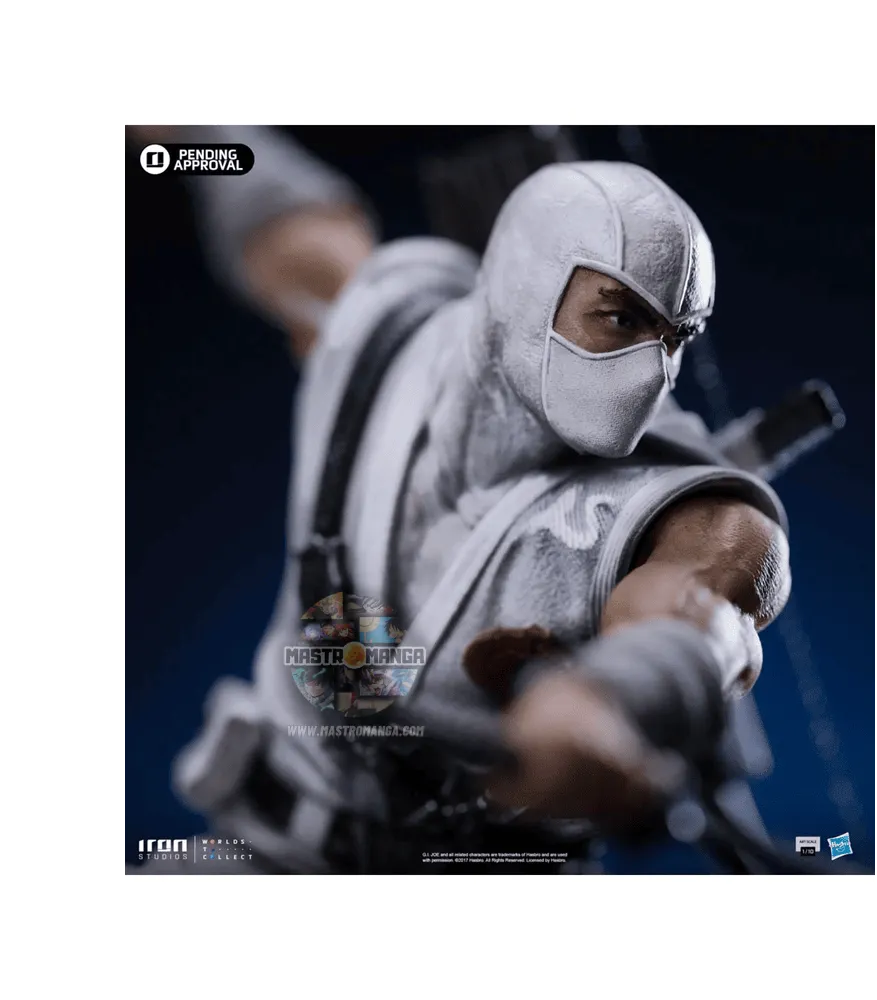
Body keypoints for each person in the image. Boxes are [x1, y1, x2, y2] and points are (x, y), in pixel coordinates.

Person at [123, 127, 791, 874]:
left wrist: (619, 692)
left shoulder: (662, 503)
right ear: (528, 288)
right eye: (620, 319)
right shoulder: (384, 338)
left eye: (676, 337)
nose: (652, 371)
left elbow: (709, 595)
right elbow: (297, 234)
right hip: (264, 850)